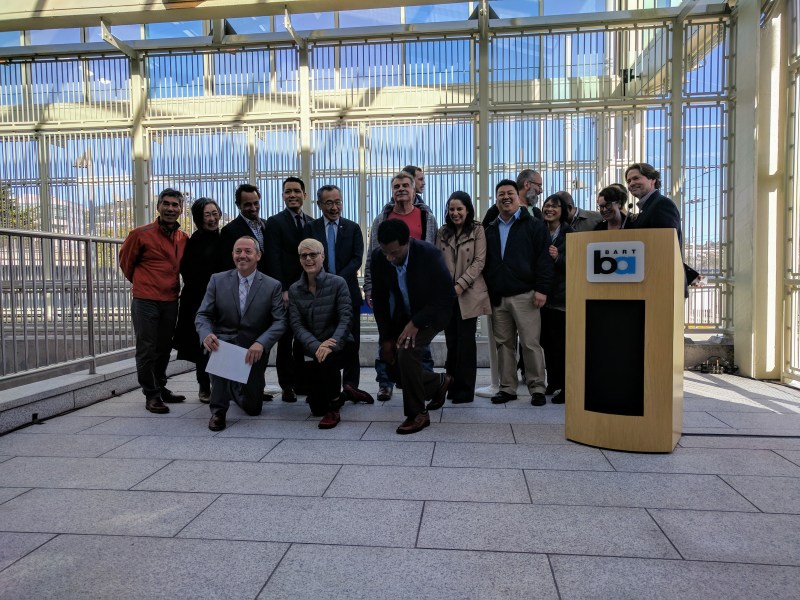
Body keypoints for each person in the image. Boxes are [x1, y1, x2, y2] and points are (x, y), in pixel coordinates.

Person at [371, 219, 454, 434]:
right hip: (403, 314)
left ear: (407, 241)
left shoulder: (428, 254)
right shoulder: (379, 257)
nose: (389, 258)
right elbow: (379, 300)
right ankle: (437, 383)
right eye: (386, 252)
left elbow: (445, 295)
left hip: (432, 313)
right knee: (391, 360)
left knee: (407, 351)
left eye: (395, 253)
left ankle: (418, 414)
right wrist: (386, 338)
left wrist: (416, 323)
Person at [195, 236, 286, 432]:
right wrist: (206, 334)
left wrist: (261, 343)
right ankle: (218, 411)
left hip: (253, 348)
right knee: (219, 351)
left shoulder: (272, 286)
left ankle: (234, 387)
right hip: (223, 343)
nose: (242, 255)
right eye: (238, 251)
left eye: (247, 251)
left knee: (253, 409)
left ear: (258, 256)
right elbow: (203, 315)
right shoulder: (217, 280)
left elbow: (280, 321)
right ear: (232, 255)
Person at [364, 170, 438, 402]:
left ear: (414, 189)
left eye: (406, 185)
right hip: (388, 287)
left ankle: (424, 379)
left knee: (419, 335)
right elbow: (373, 254)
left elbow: (433, 252)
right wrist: (369, 286)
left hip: (419, 288)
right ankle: (385, 382)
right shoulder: (382, 218)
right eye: (396, 186)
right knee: (386, 334)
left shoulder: (426, 217)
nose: (401, 189)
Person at [483, 179, 554, 407]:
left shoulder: (534, 225)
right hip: (498, 297)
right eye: (501, 194)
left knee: (530, 344)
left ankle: (537, 388)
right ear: (496, 199)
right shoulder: (490, 228)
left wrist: (542, 289)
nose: (506, 197)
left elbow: (544, 259)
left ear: (518, 196)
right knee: (504, 345)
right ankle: (507, 388)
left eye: (510, 193)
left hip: (526, 295)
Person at [119, 188, 189, 414]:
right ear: (158, 206)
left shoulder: (183, 238)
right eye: (166, 204)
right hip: (146, 300)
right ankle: (151, 394)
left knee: (164, 347)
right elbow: (126, 264)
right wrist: (144, 283)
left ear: (181, 209)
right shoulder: (140, 234)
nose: (170, 208)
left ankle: (160, 386)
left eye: (175, 205)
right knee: (147, 349)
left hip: (170, 300)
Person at [304, 184, 373, 404]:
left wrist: (336, 280)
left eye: (338, 202)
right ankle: (326, 386)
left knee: (351, 341)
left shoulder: (352, 228)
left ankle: (351, 386)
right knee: (323, 341)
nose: (335, 207)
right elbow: (307, 257)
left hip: (347, 293)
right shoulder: (311, 228)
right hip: (319, 295)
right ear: (319, 204)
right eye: (329, 203)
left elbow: (357, 258)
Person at [289, 238, 360, 429]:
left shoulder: (338, 283)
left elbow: (346, 318)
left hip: (340, 344)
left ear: (323, 257)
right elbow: (297, 325)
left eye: (313, 254)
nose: (308, 259)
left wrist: (331, 343)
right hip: (313, 348)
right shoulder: (295, 290)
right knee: (317, 408)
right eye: (304, 255)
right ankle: (347, 393)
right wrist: (316, 345)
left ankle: (334, 408)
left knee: (327, 359)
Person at [435, 192, 491, 405]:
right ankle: (450, 385)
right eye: (452, 209)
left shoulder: (477, 230)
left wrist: (460, 285)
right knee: (452, 342)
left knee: (466, 342)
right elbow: (437, 260)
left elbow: (479, 261)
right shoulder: (442, 232)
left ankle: (465, 390)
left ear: (468, 210)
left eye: (459, 209)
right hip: (447, 295)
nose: (455, 213)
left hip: (469, 293)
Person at [266, 177, 314, 402]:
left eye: (296, 191)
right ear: (283, 196)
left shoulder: (311, 222)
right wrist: (282, 289)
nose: (292, 195)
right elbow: (273, 258)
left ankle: (303, 382)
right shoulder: (275, 222)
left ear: (304, 195)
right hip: (286, 291)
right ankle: (287, 385)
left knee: (304, 339)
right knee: (285, 340)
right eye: (288, 191)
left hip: (307, 290)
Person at [172, 198, 223, 402]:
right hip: (198, 300)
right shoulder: (193, 242)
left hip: (222, 300)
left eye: (215, 214)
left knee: (221, 343)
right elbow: (189, 273)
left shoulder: (225, 238)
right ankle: (204, 385)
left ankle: (223, 386)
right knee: (202, 344)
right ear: (198, 218)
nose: (212, 219)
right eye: (207, 215)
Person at [625, 162, 688, 297]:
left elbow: (665, 247)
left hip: (663, 284)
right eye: (629, 181)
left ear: (653, 179)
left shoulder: (661, 204)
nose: (631, 184)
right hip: (652, 282)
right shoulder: (647, 207)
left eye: (636, 178)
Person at [539, 193, 575, 404]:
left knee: (562, 345)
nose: (549, 209)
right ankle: (553, 381)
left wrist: (558, 257)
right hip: (543, 298)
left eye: (554, 206)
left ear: (563, 211)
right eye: (547, 205)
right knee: (547, 343)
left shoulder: (570, 234)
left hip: (562, 299)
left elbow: (576, 264)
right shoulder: (539, 230)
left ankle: (566, 386)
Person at [219, 184, 268, 272]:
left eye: (256, 203)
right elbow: (228, 265)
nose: (253, 208)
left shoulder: (267, 224)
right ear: (238, 205)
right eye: (248, 205)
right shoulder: (229, 231)